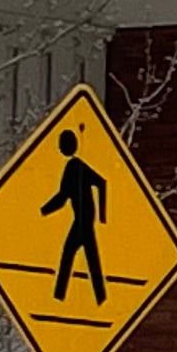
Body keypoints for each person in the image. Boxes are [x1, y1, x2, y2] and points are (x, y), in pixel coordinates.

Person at [43, 126, 110, 303]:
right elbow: (63, 197)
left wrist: (103, 215)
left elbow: (101, 183)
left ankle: (58, 297)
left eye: (61, 145)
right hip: (83, 220)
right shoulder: (75, 166)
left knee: (70, 257)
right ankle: (100, 298)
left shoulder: (75, 166)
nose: (59, 148)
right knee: (90, 261)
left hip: (83, 221)